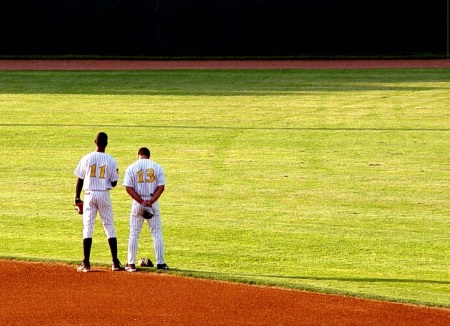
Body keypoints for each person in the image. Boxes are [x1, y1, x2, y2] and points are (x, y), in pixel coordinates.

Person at [74, 132, 121, 272]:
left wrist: (77, 197)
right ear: (107, 143)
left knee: (88, 226)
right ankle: (115, 262)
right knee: (109, 226)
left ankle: (86, 263)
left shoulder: (87, 158)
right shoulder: (111, 160)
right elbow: (114, 183)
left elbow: (80, 179)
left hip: (89, 194)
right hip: (104, 194)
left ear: (95, 142)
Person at [122, 147, 168, 272]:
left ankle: (131, 264)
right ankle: (161, 263)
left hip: (138, 203)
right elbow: (161, 187)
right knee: (156, 232)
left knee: (134, 233)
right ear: (148, 155)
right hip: (153, 203)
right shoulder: (157, 167)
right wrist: (151, 202)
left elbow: (128, 188)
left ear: (139, 155)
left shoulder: (132, 167)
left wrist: (141, 201)